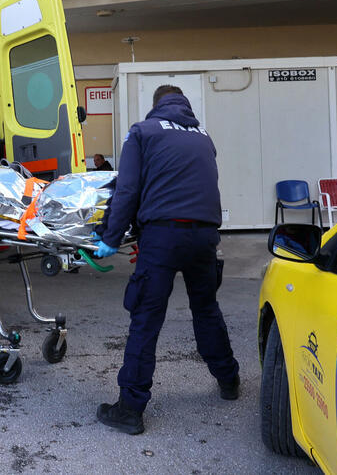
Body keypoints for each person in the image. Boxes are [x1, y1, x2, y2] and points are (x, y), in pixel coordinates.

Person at [93, 85, 240, 435]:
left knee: (145, 319)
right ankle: (229, 379)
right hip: (205, 237)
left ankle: (130, 408)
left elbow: (128, 189)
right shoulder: (204, 138)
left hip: (162, 237)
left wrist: (110, 236)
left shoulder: (142, 132)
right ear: (184, 106)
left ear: (156, 105)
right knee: (206, 309)